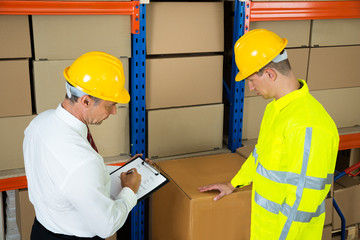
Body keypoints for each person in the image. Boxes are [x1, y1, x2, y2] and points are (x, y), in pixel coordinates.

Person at [199, 29, 339, 239]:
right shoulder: (276, 109)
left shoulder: (307, 124)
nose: (250, 87)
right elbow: (261, 156)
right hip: (266, 231)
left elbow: (301, 202)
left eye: (252, 79)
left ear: (270, 73)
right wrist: (233, 183)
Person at [23, 51, 143, 239]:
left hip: (41, 231)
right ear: (85, 100)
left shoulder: (39, 124)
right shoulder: (82, 162)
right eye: (109, 105)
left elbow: (68, 178)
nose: (113, 112)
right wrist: (130, 191)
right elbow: (107, 225)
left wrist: (124, 169)